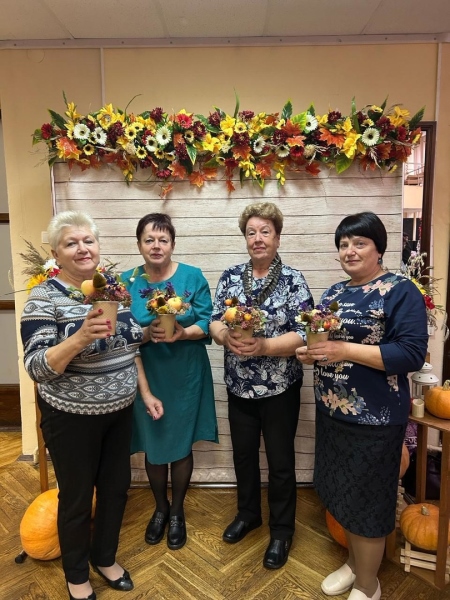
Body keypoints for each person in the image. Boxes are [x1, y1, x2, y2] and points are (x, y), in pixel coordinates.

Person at [21, 211, 163, 600]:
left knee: (116, 490)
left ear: (98, 246)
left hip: (119, 412)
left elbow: (129, 344)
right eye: (71, 243)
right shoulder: (44, 297)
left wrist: (153, 332)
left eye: (89, 240)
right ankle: (76, 575)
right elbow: (36, 367)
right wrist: (80, 337)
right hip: (70, 418)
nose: (83, 248)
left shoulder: (113, 289)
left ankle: (105, 558)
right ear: (56, 253)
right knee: (77, 499)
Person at [296, 211, 428, 600]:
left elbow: (410, 354)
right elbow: (323, 343)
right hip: (333, 413)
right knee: (343, 495)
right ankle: (355, 565)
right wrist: (312, 353)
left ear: (378, 248)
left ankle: (369, 585)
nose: (350, 251)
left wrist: (344, 350)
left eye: (359, 243)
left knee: (368, 503)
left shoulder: (399, 290)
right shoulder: (334, 294)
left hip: (376, 419)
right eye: (343, 244)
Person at [209, 202, 313, 570]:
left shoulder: (294, 280)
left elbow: (306, 332)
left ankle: (282, 530)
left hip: (280, 388)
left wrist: (265, 346)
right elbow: (214, 320)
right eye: (251, 232)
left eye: (265, 231)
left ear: (277, 238)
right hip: (239, 386)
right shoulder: (230, 277)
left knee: (281, 462)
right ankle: (249, 513)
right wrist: (224, 336)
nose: (258, 238)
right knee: (243, 455)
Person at [121, 213, 218, 551]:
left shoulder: (193, 276)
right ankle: (160, 508)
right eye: (149, 239)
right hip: (146, 373)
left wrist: (183, 333)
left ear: (173, 244)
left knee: (181, 443)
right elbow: (121, 333)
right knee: (154, 441)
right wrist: (146, 333)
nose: (156, 245)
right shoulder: (126, 281)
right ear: (139, 245)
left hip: (186, 372)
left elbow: (208, 321)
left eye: (163, 239)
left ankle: (177, 512)